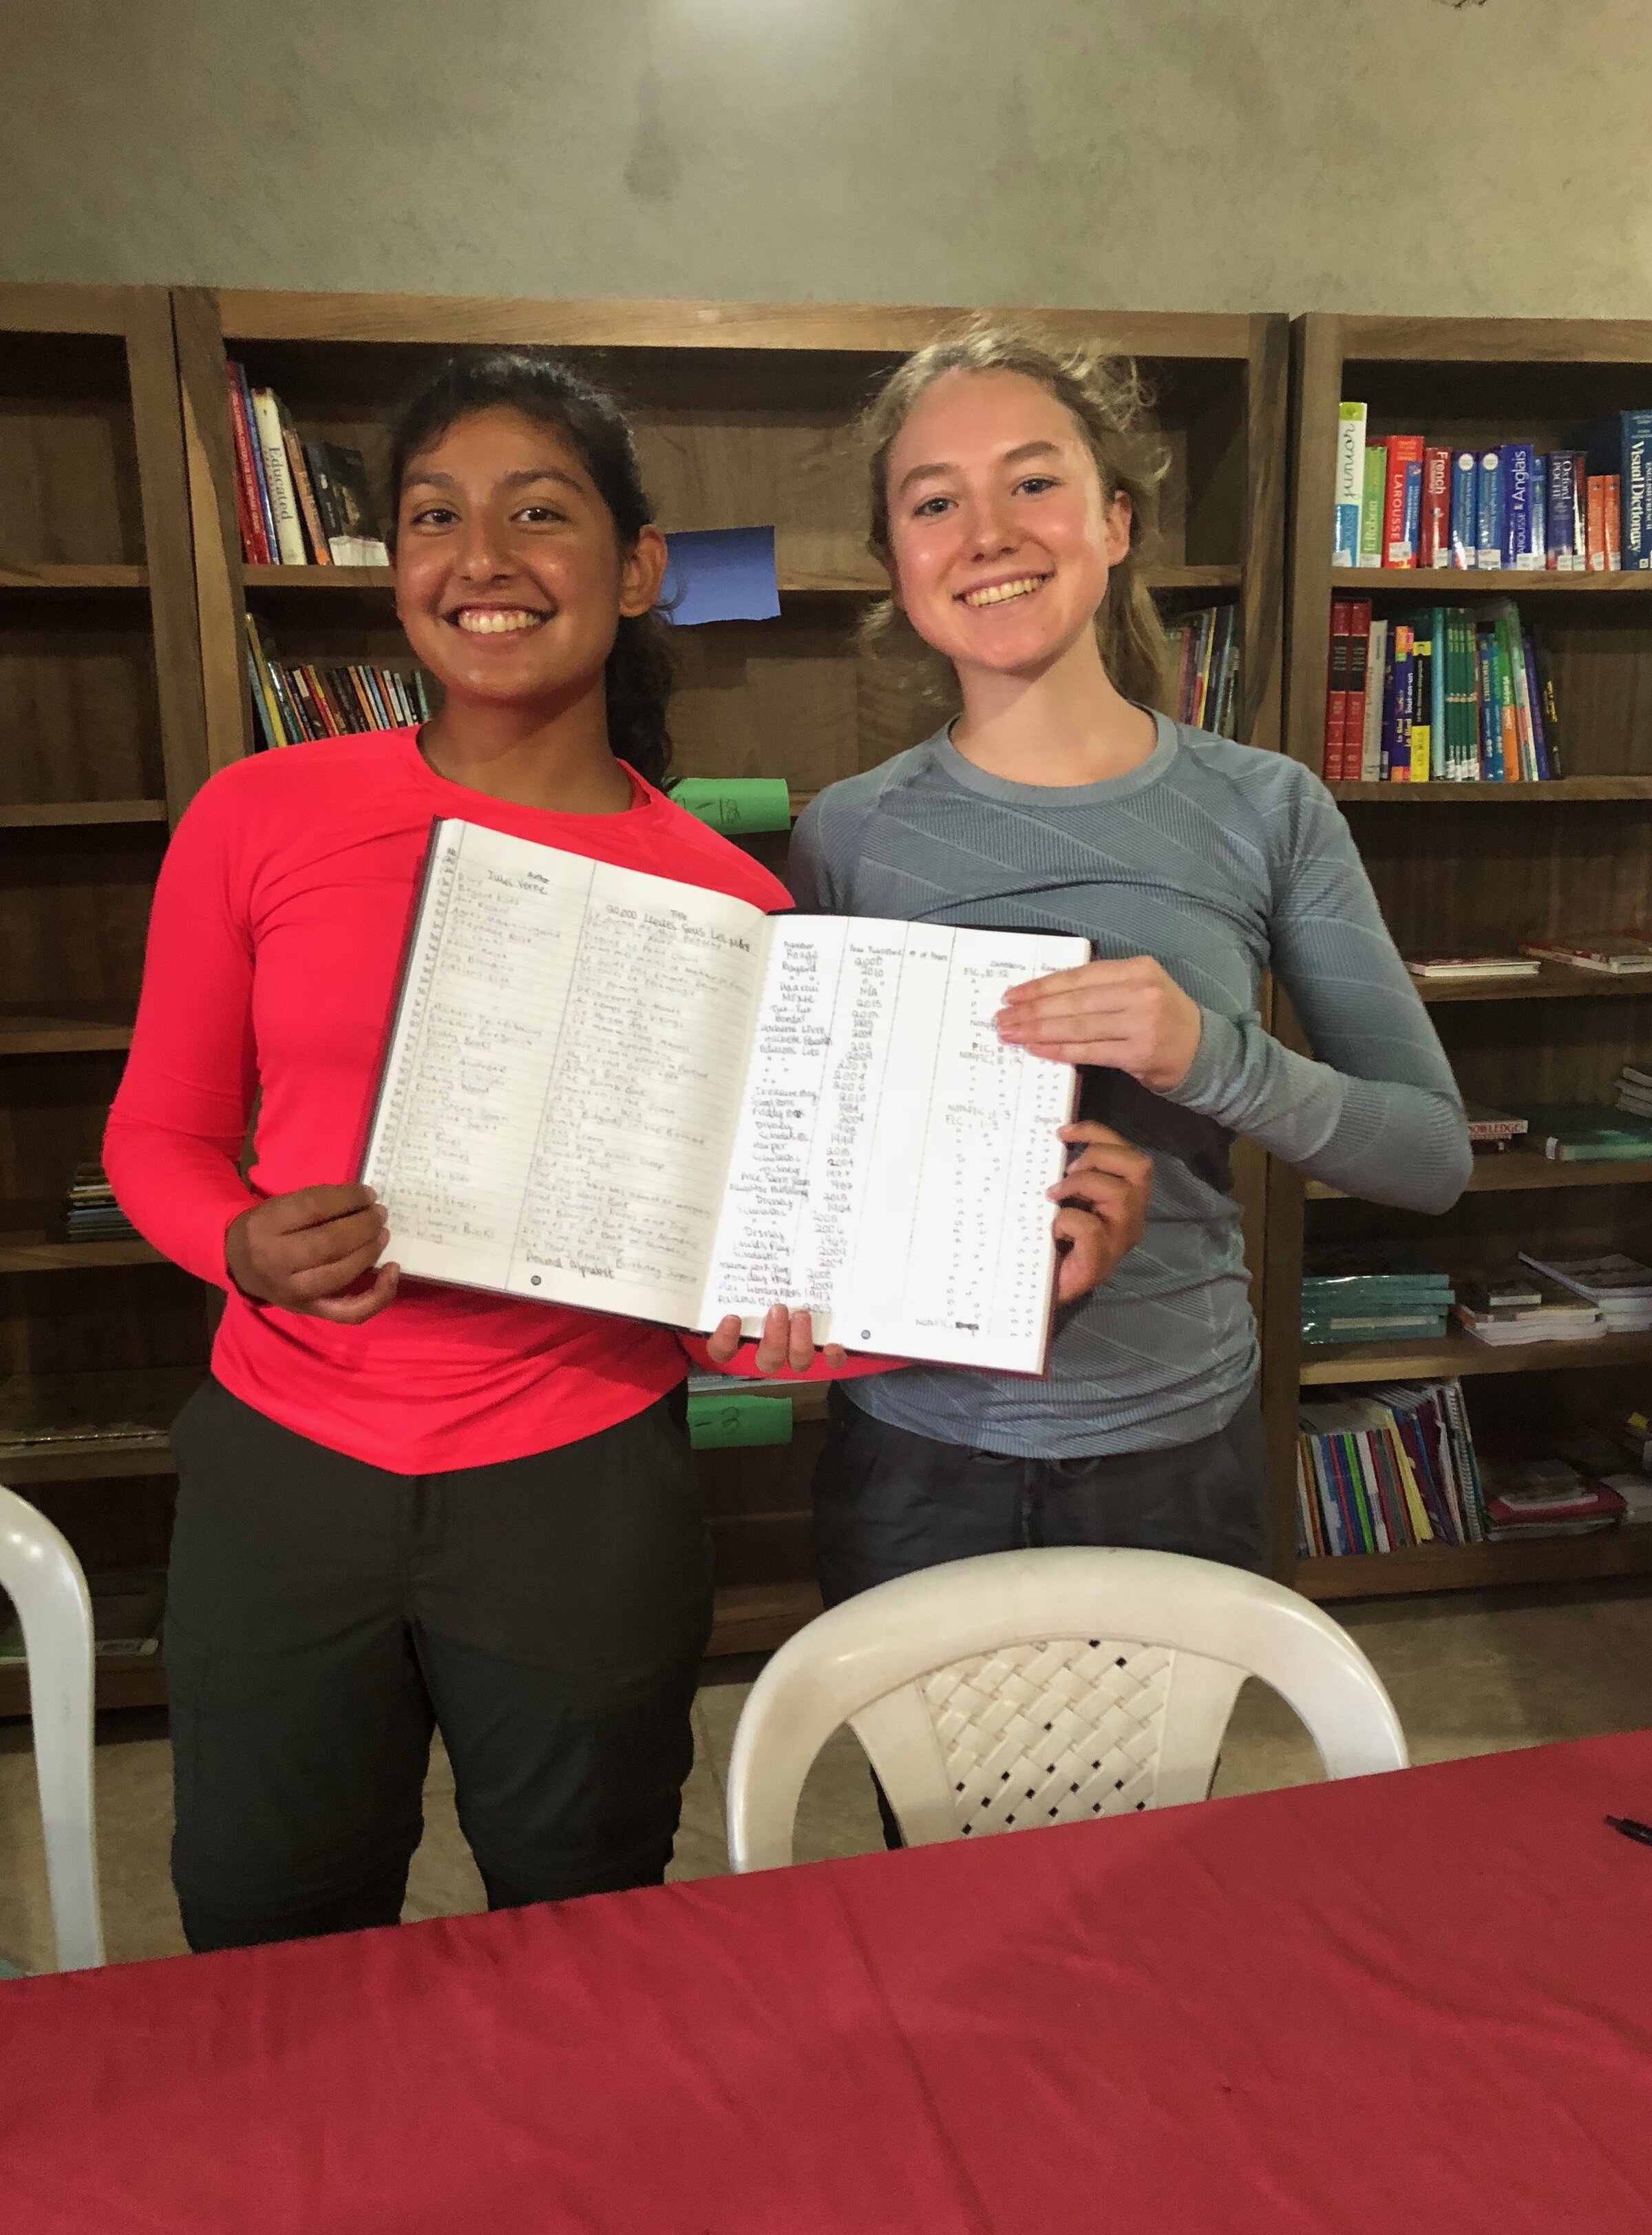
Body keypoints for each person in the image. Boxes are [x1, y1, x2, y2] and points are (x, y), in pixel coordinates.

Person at [106, 348, 1148, 1950]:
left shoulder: (734, 910)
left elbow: (732, 1299)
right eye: (435, 518)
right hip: (284, 1473)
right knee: (264, 1928)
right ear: (396, 568)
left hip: (578, 1491)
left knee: (582, 1923)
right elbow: (160, 1133)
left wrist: (1018, 1271)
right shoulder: (260, 813)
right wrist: (236, 1242)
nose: (484, 560)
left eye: (540, 512)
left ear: (637, 565)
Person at [791, 321, 1472, 1624]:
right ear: (898, 563)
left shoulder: (1267, 806)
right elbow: (824, 1178)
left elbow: (1429, 1155)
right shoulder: (846, 831)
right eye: (935, 502)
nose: (987, 531)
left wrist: (1211, 1056)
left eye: (1033, 480)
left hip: (1178, 1453)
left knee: (1158, 1837)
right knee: (941, 1837)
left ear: (1115, 520)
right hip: (910, 1457)